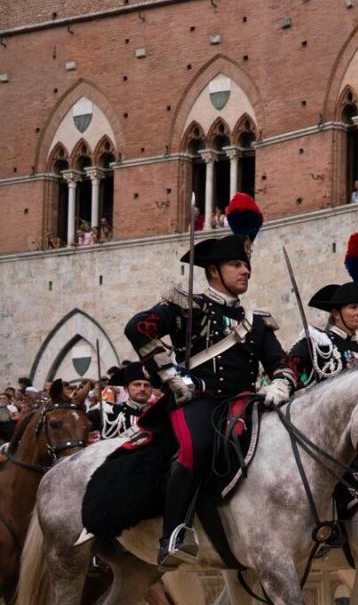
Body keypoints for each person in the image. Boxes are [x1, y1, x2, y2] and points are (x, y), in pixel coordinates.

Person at [122, 193, 298, 568]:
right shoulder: (188, 306)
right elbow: (138, 328)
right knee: (196, 446)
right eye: (236, 264)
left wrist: (281, 382)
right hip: (197, 401)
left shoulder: (258, 320)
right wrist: (170, 376)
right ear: (214, 270)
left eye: (246, 265)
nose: (245, 271)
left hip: (244, 402)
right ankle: (173, 534)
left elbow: (281, 362)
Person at [98, 362, 155, 440]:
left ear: (151, 389)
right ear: (125, 388)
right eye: (137, 384)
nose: (142, 389)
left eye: (146, 385)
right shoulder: (109, 412)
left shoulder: (158, 415)